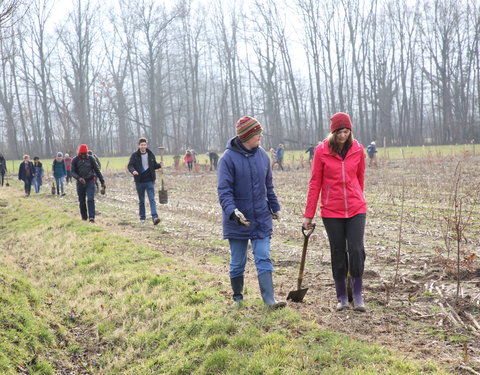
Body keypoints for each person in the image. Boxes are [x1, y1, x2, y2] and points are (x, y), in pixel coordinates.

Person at [218, 115, 286, 309]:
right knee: (238, 261)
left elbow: (269, 186)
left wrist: (275, 207)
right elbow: (224, 191)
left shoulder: (263, 156)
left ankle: (269, 300)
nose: (261, 136)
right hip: (238, 220)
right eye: (257, 133)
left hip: (261, 218)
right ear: (247, 135)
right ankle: (238, 298)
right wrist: (233, 212)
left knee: (263, 256)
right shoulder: (227, 159)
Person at [302, 112, 367, 312]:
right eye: (339, 131)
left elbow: (360, 177)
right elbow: (315, 183)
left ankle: (357, 295)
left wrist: (358, 196)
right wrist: (308, 214)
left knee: (356, 249)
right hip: (332, 211)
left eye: (346, 131)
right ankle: (342, 298)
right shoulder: (321, 151)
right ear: (333, 132)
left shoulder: (358, 149)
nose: (343, 135)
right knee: (338, 252)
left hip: (356, 208)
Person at [128, 137, 162, 225]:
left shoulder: (151, 154)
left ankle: (155, 217)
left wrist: (159, 165)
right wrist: (133, 171)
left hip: (150, 181)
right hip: (139, 182)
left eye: (144, 145)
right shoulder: (134, 156)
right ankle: (142, 217)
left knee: (152, 199)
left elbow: (154, 166)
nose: (143, 146)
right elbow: (130, 165)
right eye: (141, 145)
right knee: (141, 200)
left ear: (146, 145)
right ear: (139, 145)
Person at [71, 144, 105, 223]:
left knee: (90, 199)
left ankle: (92, 217)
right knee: (82, 201)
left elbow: (97, 170)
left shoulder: (91, 158)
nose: (83, 155)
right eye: (82, 154)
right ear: (79, 153)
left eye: (85, 154)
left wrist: (102, 181)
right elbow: (72, 172)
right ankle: (84, 217)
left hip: (90, 181)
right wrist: (79, 178)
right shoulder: (75, 160)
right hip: (80, 182)